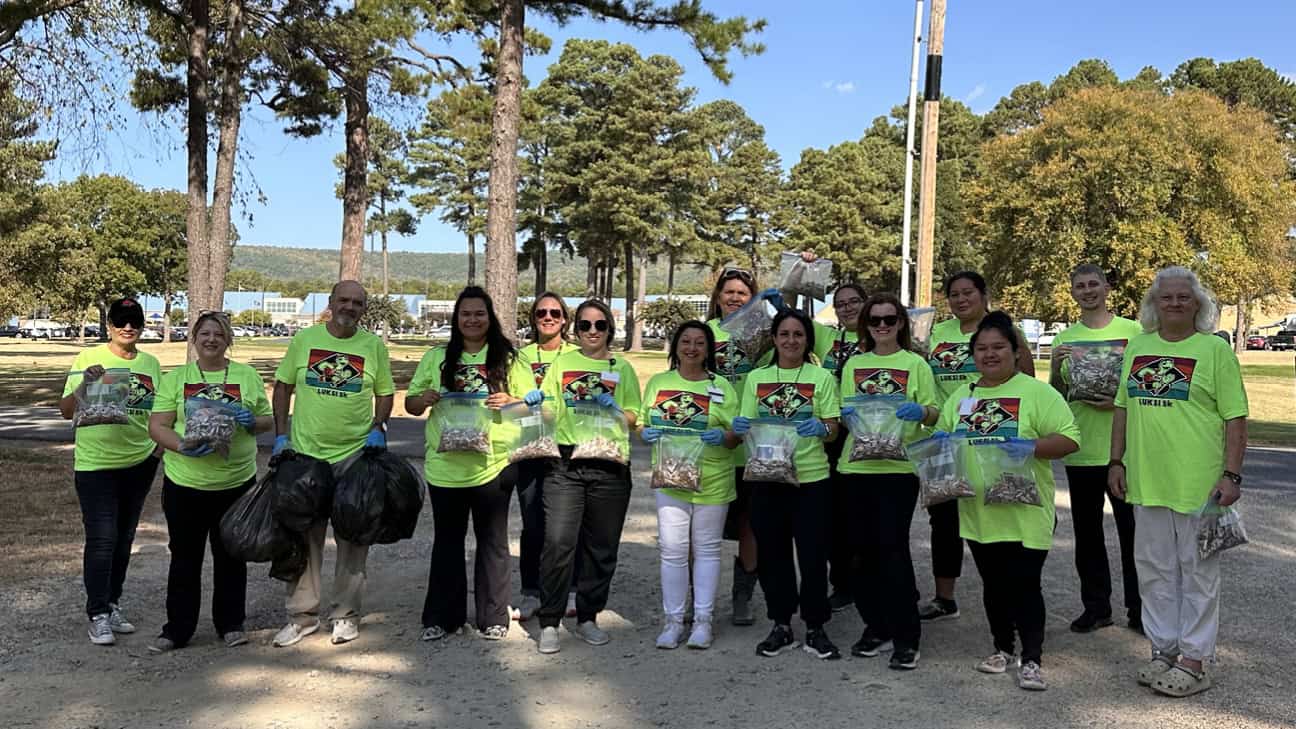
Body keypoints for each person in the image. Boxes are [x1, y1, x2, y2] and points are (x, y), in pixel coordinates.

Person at [1109, 266, 1248, 698]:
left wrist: (1231, 474)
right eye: (1165, 298)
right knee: (1153, 571)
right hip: (1147, 481)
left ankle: (1194, 659)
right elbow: (1122, 409)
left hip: (1199, 486)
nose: (1174, 304)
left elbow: (1235, 418)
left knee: (1198, 573)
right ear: (1154, 304)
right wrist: (1116, 461)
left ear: (1197, 304)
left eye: (1183, 298)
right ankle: (1163, 650)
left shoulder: (1213, 351)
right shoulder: (1138, 346)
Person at [935, 311, 1079, 692]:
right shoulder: (962, 397)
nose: (989, 354)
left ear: (1016, 352)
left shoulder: (1036, 392)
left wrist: (1030, 446)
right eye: (981, 348)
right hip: (979, 509)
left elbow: (1069, 439)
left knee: (1026, 584)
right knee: (993, 584)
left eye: (998, 346)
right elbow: (941, 441)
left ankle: (1031, 658)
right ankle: (1002, 647)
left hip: (1027, 509)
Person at [270, 280, 395, 647]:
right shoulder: (305, 341)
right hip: (307, 455)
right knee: (304, 536)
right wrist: (281, 436)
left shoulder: (372, 346)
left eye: (358, 303)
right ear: (330, 303)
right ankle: (302, 616)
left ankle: (345, 615)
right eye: (344, 300)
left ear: (363, 309)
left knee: (353, 537)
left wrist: (379, 427)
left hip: (355, 455)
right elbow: (282, 387)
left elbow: (385, 393)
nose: (350, 307)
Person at [407, 287, 532, 642]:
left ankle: (493, 616)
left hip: (494, 465)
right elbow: (413, 405)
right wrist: (424, 398)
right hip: (446, 467)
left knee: (492, 541)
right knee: (447, 541)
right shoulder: (437, 358)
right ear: (456, 319)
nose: (472, 320)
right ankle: (442, 617)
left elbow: (532, 409)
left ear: (490, 317)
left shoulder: (510, 360)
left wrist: (511, 401)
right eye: (466, 314)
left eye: (479, 313)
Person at [146, 311, 273, 652]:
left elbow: (266, 420)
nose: (211, 339)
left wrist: (252, 421)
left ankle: (231, 624)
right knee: (184, 558)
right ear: (194, 339)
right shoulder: (177, 378)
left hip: (235, 483)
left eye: (219, 334)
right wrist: (182, 447)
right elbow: (157, 426)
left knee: (231, 556)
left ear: (228, 339)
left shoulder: (246, 376)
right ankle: (177, 629)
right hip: (185, 484)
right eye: (204, 333)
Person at [920, 271, 1035, 622]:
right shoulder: (937, 334)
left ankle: (1011, 596)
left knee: (1000, 511)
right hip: (946, 437)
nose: (960, 299)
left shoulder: (1003, 331)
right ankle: (945, 598)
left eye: (968, 292)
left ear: (984, 295)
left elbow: (1026, 380)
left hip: (993, 437)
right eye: (953, 294)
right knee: (943, 521)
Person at [528, 299, 642, 654]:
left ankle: (588, 617)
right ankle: (550, 620)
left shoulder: (621, 367)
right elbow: (550, 405)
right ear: (575, 330)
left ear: (610, 328)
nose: (592, 331)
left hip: (609, 464)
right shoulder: (563, 363)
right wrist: (536, 402)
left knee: (601, 547)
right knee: (559, 541)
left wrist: (615, 410)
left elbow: (633, 418)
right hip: (566, 463)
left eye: (600, 325)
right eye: (585, 325)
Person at [836, 293, 938, 670]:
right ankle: (876, 626)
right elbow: (846, 417)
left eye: (889, 319)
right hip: (856, 468)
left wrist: (922, 410)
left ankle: (906, 636)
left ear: (901, 324)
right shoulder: (854, 364)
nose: (882, 326)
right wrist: (846, 416)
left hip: (898, 471)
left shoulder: (915, 364)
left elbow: (934, 413)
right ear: (865, 324)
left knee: (892, 552)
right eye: (875, 320)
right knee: (859, 555)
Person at [734, 309, 842, 660]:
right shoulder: (757, 378)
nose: (791, 340)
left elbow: (833, 429)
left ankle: (815, 625)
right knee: (772, 556)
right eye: (784, 334)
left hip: (811, 479)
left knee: (813, 556)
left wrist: (822, 429)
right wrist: (740, 426)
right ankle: (781, 623)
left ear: (807, 339)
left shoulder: (822, 377)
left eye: (798, 334)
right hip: (768, 477)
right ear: (775, 338)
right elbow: (747, 423)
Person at [59, 297, 163, 646]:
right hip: (96, 464)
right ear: (109, 326)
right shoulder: (88, 358)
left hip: (139, 462)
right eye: (120, 321)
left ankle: (113, 602)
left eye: (134, 321)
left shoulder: (150, 363)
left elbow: (159, 411)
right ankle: (98, 613)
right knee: (102, 539)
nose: (127, 327)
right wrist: (86, 384)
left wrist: (157, 451)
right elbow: (65, 411)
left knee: (124, 539)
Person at [1049, 264, 1144, 634]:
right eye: (1079, 286)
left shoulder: (1133, 332)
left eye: (1093, 284)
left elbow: (1143, 386)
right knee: (1088, 535)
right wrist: (1056, 372)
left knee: (1133, 534)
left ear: (1107, 288)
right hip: (1083, 448)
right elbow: (1057, 397)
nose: (1087, 291)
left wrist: (1117, 403)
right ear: (1072, 292)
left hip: (1124, 450)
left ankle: (1140, 610)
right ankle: (1096, 606)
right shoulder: (1064, 339)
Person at [639, 321, 740, 650]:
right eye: (686, 341)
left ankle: (702, 622)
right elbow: (644, 421)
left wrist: (724, 436)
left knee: (708, 550)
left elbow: (736, 435)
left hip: (713, 479)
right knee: (672, 550)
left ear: (709, 350)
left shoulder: (722, 386)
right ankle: (673, 621)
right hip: (670, 479)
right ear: (676, 346)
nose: (692, 348)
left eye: (700, 342)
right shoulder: (659, 382)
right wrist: (644, 433)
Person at [705, 269, 782, 626]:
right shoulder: (705, 333)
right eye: (729, 291)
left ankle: (743, 595)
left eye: (743, 292)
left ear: (752, 298)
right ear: (718, 296)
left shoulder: (763, 334)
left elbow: (784, 365)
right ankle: (699, 594)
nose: (735, 297)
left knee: (751, 524)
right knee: (707, 525)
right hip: (714, 443)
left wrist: (779, 315)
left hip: (753, 444)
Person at [512, 293, 577, 621]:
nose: (548, 317)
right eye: (541, 312)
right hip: (530, 447)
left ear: (565, 319)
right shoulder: (520, 358)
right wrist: (526, 403)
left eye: (555, 313)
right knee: (533, 523)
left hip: (568, 446)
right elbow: (510, 399)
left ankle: (571, 589)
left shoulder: (577, 356)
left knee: (567, 525)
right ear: (534, 318)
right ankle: (531, 591)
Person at [819, 283, 866, 613]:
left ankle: (870, 580)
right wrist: (802, 270)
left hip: (871, 436)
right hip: (832, 434)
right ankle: (843, 583)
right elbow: (789, 316)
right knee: (833, 514)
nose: (847, 308)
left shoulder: (880, 336)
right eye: (840, 304)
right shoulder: (827, 339)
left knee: (863, 514)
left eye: (854, 302)